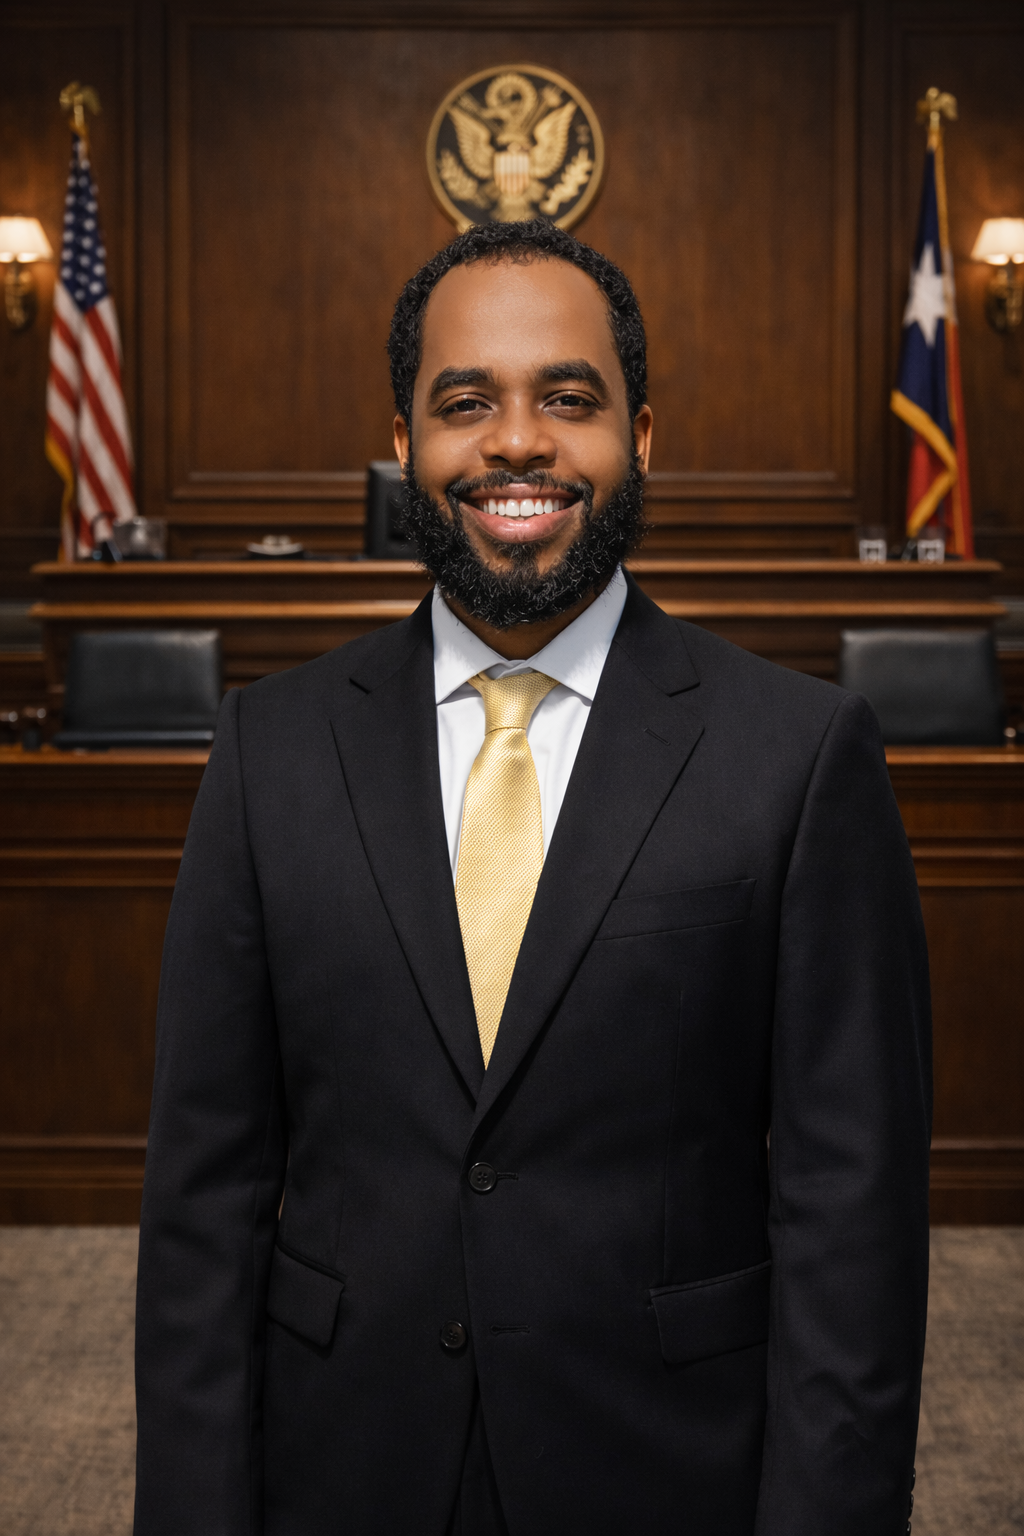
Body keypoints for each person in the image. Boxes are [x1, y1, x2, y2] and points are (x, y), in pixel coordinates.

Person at [134, 220, 931, 1536]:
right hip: (343, 1471)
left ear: (643, 436)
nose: (515, 442)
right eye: (466, 403)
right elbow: (204, 1206)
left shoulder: (799, 756)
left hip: (672, 1473)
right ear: (406, 444)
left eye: (570, 398)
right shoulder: (268, 752)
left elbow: (854, 1218)